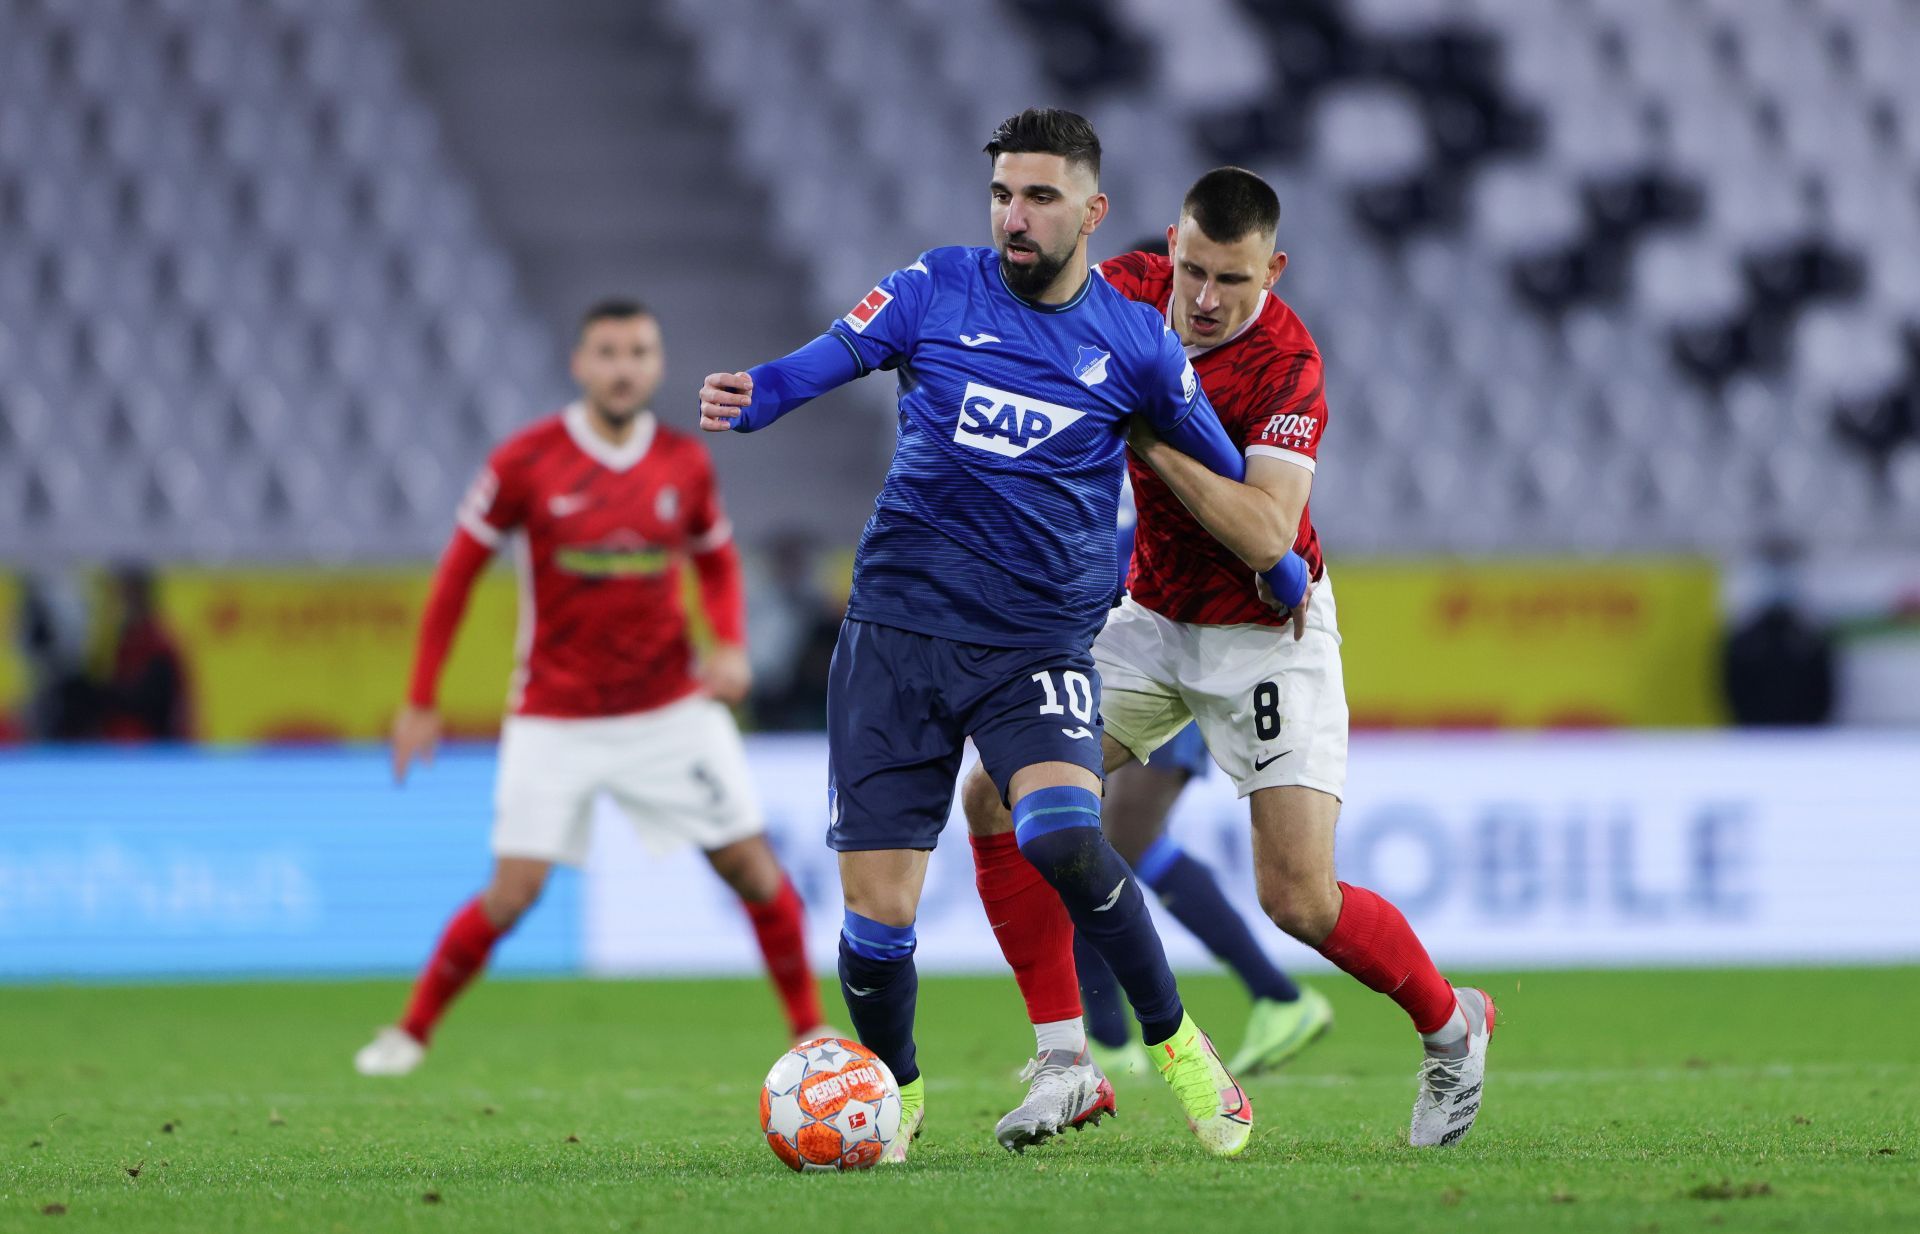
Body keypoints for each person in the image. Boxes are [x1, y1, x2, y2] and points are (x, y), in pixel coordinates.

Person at [698, 110, 1291, 1160]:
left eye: (1041, 197)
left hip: (1037, 648)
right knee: (876, 932)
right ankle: (899, 1097)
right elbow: (827, 357)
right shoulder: (934, 287)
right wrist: (758, 395)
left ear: (1093, 212)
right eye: (1004, 196)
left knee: (1064, 834)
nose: (1016, 217)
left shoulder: (1138, 342)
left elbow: (1224, 482)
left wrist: (1280, 567)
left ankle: (1184, 1050)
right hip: (895, 633)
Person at [962, 167, 1496, 1149]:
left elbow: (1264, 532)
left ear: (1274, 270)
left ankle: (1452, 1025)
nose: (1206, 301)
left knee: (1299, 899)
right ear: (1170, 244)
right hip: (1151, 620)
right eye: (1193, 271)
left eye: (1233, 282)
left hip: (1265, 638)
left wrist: (1147, 433)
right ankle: (1066, 1060)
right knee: (994, 791)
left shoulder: (1288, 366)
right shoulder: (1119, 289)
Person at [354, 299, 826, 1077]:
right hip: (556, 714)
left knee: (753, 869)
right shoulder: (526, 463)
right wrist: (420, 697)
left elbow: (713, 561)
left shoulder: (683, 464)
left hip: (670, 708)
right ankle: (409, 1033)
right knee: (511, 893)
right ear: (580, 365)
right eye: (607, 352)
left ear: (657, 365)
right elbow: (456, 576)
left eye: (638, 351)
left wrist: (730, 646)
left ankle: (809, 1031)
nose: (622, 367)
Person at [1074, 482, 1333, 1083]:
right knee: (1112, 842)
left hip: (1166, 648)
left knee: (1095, 842)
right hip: (1132, 650)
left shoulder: (1144, 431)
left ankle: (1110, 1040)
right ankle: (1275, 998)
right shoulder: (1101, 438)